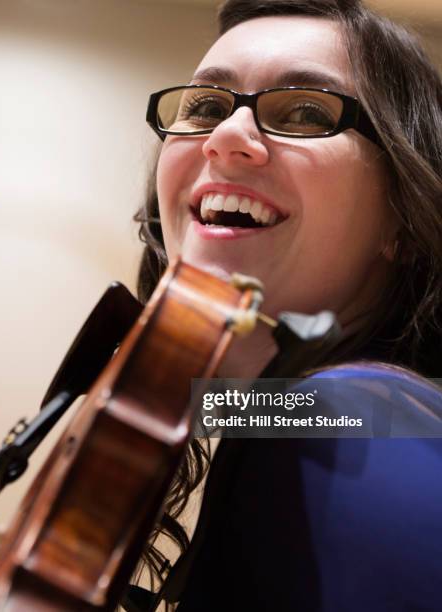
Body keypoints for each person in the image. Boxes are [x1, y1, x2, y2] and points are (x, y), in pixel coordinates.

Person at [130, 1, 442, 610]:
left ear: (404, 221)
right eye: (206, 107)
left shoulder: (335, 425)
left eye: (304, 112)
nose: (225, 137)